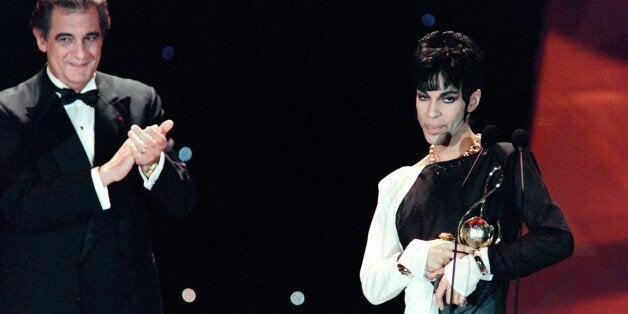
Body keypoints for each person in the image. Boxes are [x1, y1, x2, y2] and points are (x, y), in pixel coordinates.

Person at [0, 0, 195, 312]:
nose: (81, 54)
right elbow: (21, 208)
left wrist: (154, 165)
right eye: (66, 39)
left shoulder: (140, 100)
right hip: (47, 302)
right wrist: (104, 175)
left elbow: (181, 204)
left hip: (127, 301)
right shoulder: (8, 110)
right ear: (41, 38)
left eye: (91, 37)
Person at [360, 31, 573, 313]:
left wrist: (479, 264)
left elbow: (556, 238)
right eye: (424, 97)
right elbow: (373, 288)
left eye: (447, 99)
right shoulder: (398, 183)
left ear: (472, 101)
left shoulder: (503, 160)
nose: (431, 113)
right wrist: (419, 257)